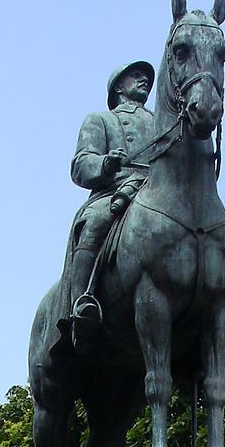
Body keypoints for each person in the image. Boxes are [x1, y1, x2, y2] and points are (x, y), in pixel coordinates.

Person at [68, 61, 155, 345]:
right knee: (95, 221)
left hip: (157, 191)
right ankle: (82, 301)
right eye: (136, 75)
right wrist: (106, 164)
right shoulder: (100, 120)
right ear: (119, 86)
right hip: (116, 190)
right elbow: (81, 164)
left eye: (146, 77)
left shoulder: (164, 123)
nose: (144, 79)